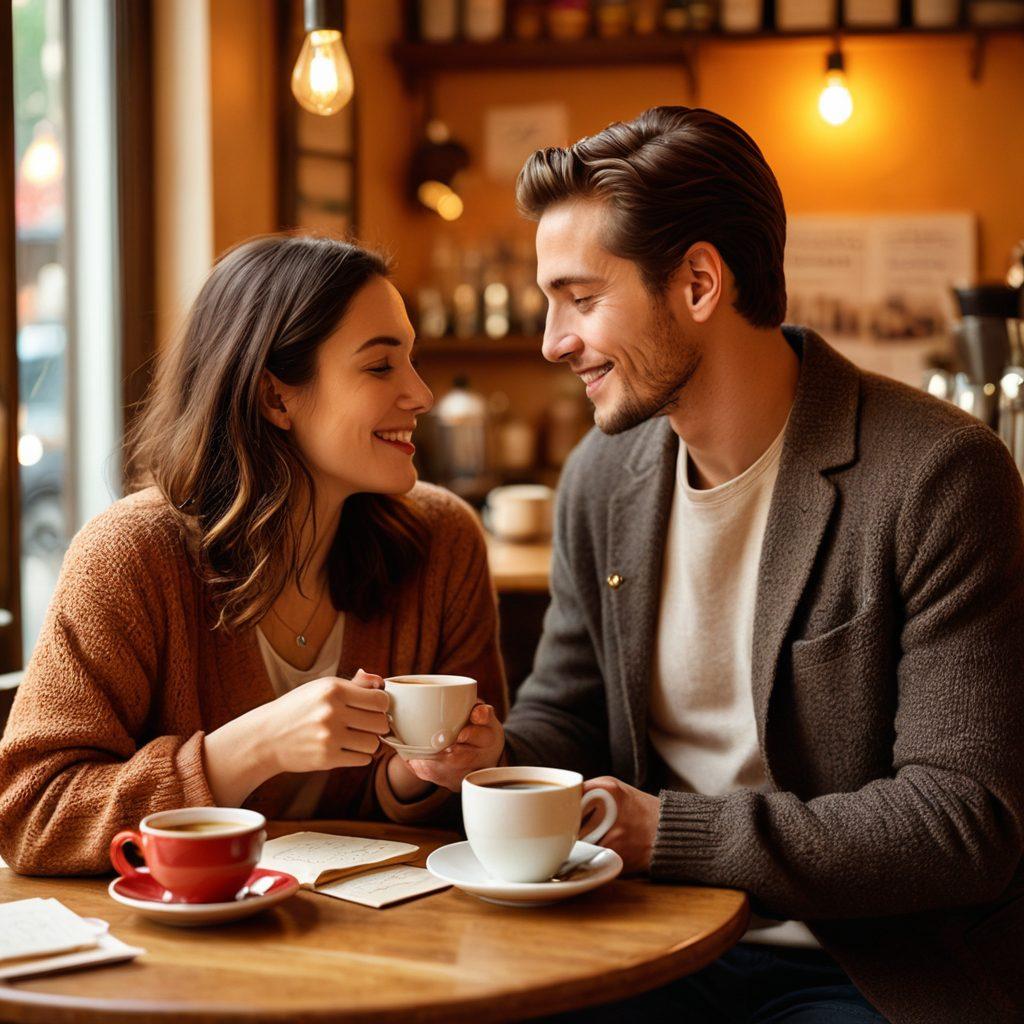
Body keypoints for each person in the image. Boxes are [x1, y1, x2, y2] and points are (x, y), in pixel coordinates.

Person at [407, 108, 1024, 1024]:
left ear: (699, 282)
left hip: (866, 968)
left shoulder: (939, 474)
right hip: (644, 939)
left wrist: (671, 833)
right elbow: (568, 715)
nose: (552, 341)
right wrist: (497, 758)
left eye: (581, 299)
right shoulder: (602, 476)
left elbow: (962, 820)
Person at [0, 234, 506, 876]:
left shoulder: (443, 541)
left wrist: (422, 775)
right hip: (183, 933)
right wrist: (249, 749)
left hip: (382, 930)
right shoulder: (129, 557)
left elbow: (468, 819)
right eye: (381, 366)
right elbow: (31, 816)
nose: (421, 394)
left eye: (412, 360)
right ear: (275, 397)